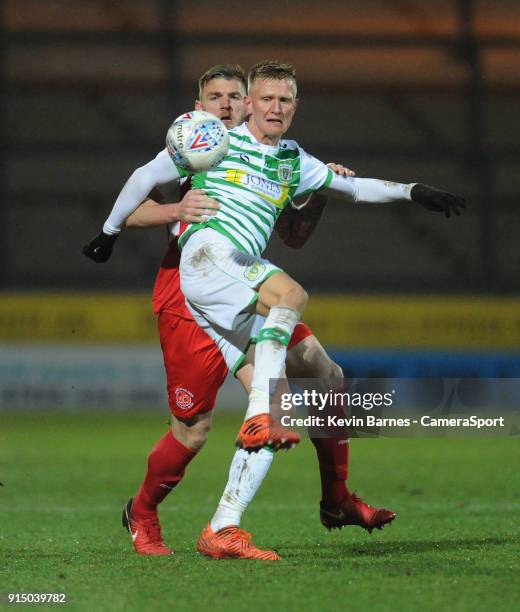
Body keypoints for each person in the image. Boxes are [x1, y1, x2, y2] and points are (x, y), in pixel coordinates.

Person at [84, 61, 463, 559]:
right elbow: (133, 202)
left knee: (323, 375)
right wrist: (168, 213)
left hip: (244, 277)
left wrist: (342, 192)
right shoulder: (204, 146)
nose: (228, 104)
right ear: (201, 110)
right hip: (190, 284)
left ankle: (330, 499)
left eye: (236, 96)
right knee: (194, 428)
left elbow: (294, 236)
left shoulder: (285, 159)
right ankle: (146, 511)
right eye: (218, 97)